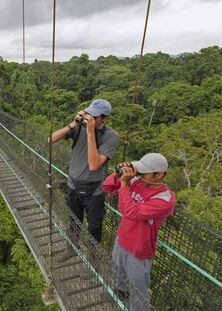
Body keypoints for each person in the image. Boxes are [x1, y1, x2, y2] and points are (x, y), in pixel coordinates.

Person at [102, 153, 175, 310]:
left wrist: (124, 184)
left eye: (143, 172)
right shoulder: (136, 180)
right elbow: (107, 187)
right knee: (117, 270)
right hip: (122, 237)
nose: (138, 174)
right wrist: (117, 173)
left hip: (139, 248)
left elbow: (131, 212)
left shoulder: (165, 199)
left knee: (138, 286)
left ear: (159, 174)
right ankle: (120, 292)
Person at [49, 99, 119, 262]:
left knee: (94, 227)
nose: (89, 118)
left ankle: (92, 260)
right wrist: (72, 125)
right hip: (73, 184)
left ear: (104, 118)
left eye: (94, 116)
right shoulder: (79, 127)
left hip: (93, 190)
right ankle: (71, 249)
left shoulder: (111, 136)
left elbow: (94, 165)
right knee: (73, 220)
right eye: (88, 114)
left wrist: (90, 133)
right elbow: (50, 139)